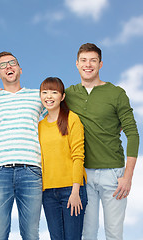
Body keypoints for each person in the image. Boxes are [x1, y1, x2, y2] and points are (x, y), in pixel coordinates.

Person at [65, 43, 140, 240]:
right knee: (87, 234)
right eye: (83, 60)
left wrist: (128, 176)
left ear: (100, 64)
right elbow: (47, 101)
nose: (88, 65)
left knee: (114, 233)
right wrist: (3, 93)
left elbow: (132, 133)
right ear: (77, 64)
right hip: (83, 176)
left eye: (93, 60)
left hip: (113, 176)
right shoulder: (69, 94)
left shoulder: (116, 93)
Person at [0, 51, 45, 240]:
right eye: (3, 65)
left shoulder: (38, 96)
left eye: (12, 63)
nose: (8, 66)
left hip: (31, 171)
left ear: (20, 69)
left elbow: (59, 106)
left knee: (31, 234)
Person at [38, 77, 87, 240]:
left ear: (62, 96)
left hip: (71, 190)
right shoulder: (40, 126)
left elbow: (78, 156)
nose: (49, 96)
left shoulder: (72, 119)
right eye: (44, 92)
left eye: (54, 92)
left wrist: (75, 191)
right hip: (49, 193)